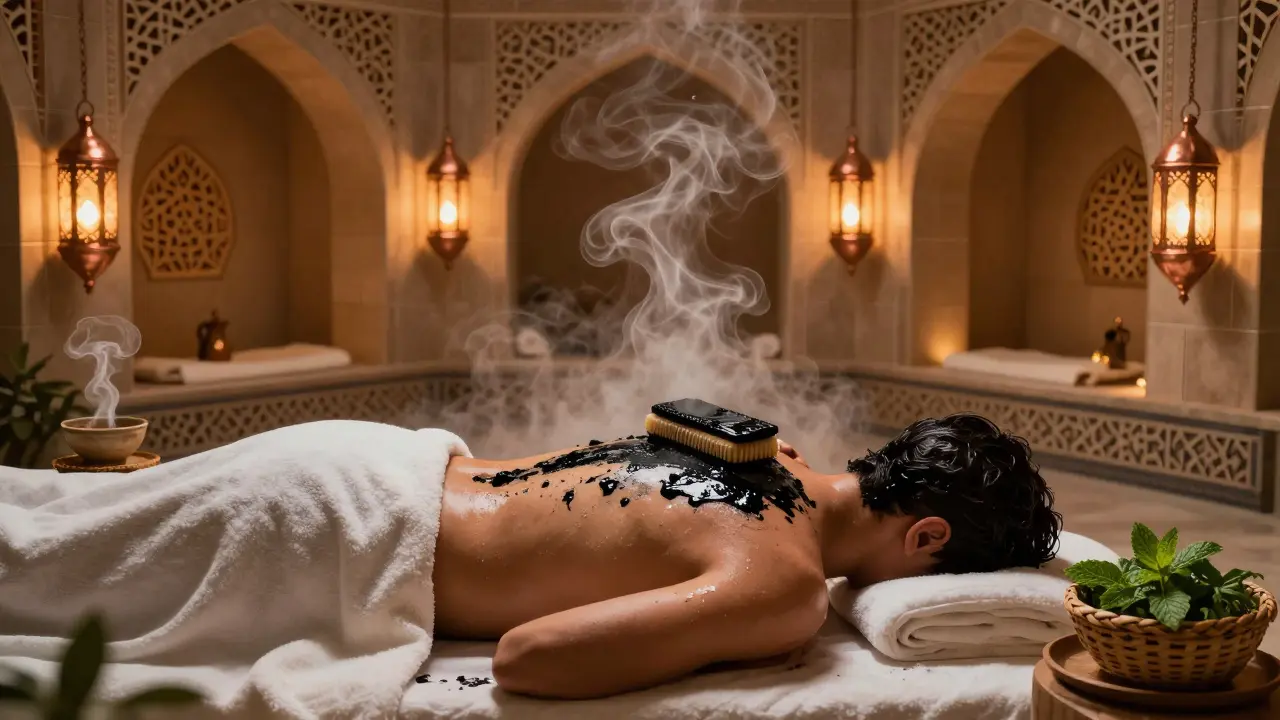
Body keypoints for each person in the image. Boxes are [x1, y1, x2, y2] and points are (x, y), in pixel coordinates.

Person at [434, 411, 1062, 699]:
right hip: (367, 531)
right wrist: (730, 636)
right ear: (927, 538)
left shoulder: (768, 450)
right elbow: (524, 660)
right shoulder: (783, 584)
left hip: (405, 464)